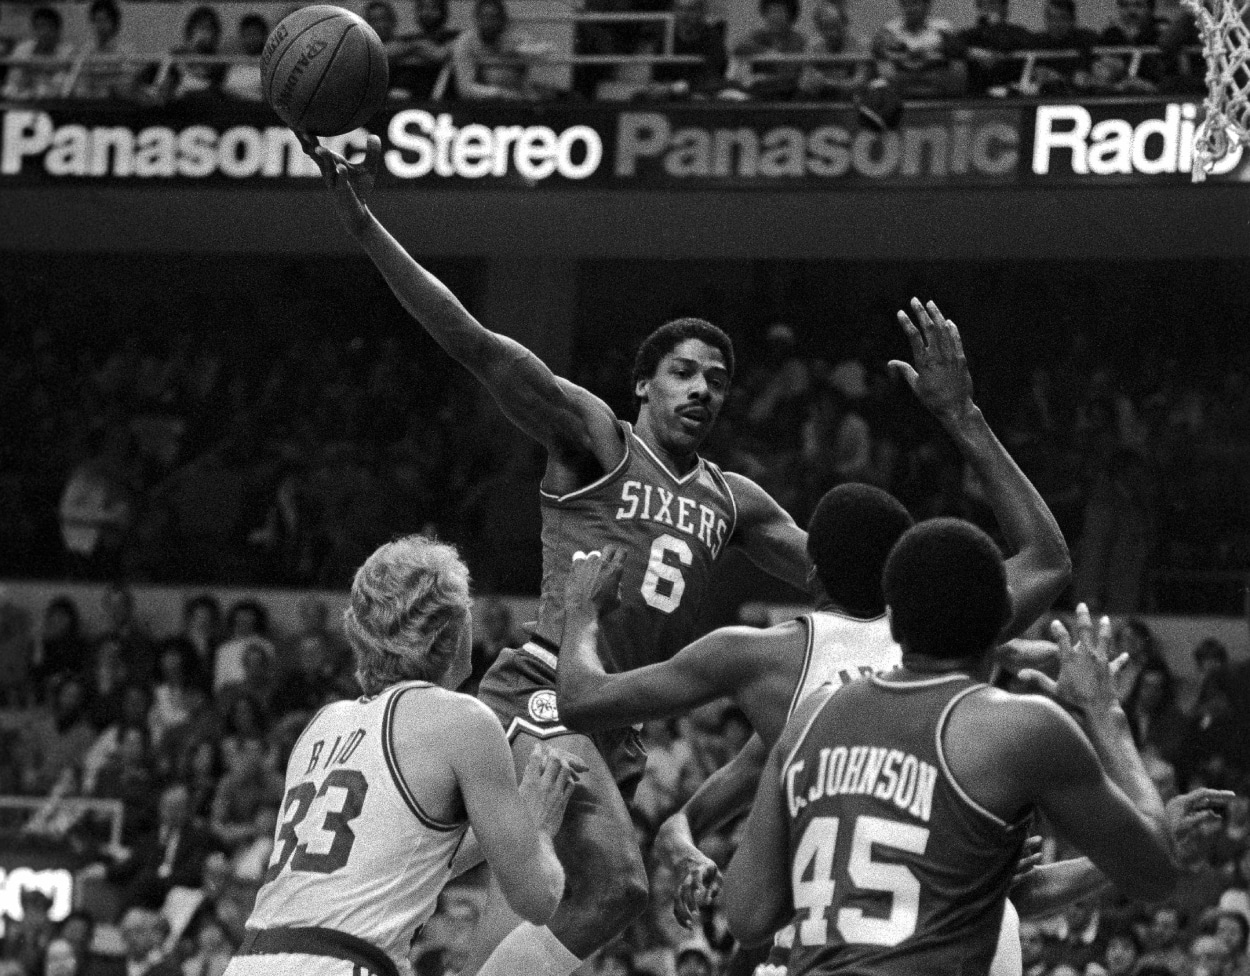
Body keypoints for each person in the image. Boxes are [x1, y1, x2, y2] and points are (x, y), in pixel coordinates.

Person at [298, 133, 813, 976]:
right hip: (546, 687)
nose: (700, 390)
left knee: (538, 912)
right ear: (644, 385)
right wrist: (363, 223)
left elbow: (857, 574)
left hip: (622, 721)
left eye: (716, 380)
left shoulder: (735, 500)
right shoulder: (596, 438)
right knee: (616, 885)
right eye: (683, 372)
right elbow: (471, 340)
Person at [723, 519, 1181, 976]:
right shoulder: (1021, 727)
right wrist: (1104, 712)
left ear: (894, 623)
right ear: (1003, 620)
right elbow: (1155, 874)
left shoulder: (811, 715)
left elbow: (746, 915)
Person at [222, 534, 578, 976]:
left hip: (253, 960)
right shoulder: (463, 719)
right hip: (341, 964)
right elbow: (538, 898)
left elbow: (407, 860)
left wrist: (509, 829)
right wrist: (538, 827)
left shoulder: (323, 723)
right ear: (449, 628)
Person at [451, 0, 551, 100]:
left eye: (493, 17)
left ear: (503, 20)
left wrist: (517, 50)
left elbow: (548, 54)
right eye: (484, 17)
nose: (488, 22)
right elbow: (465, 89)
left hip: (520, 99)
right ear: (476, 19)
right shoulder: (465, 42)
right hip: (482, 104)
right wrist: (498, 93)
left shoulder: (515, 37)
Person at [2, 6, 73, 101]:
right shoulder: (22, 49)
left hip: (55, 104)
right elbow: (12, 83)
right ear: (34, 29)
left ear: (57, 29)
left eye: (49, 26)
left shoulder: (68, 52)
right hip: (23, 102)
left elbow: (64, 88)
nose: (44, 32)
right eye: (40, 27)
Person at [71, 0, 135, 100]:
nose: (100, 26)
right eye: (97, 20)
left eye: (105, 20)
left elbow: (127, 84)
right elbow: (79, 83)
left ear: (115, 23)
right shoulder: (85, 50)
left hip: (117, 103)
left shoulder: (125, 51)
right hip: (90, 103)